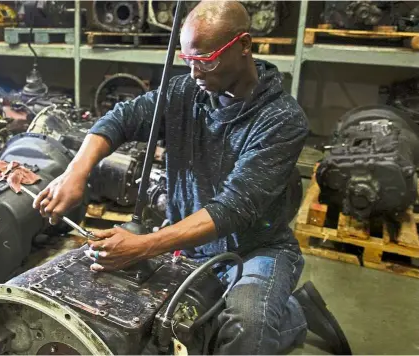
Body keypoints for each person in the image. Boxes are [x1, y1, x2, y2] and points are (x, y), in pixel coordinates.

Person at [33, 1, 351, 354]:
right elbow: (123, 118)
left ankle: (291, 316)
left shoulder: (281, 120)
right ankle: (272, 313)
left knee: (247, 324)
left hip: (255, 248)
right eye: (189, 61)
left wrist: (144, 245)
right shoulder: (189, 92)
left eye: (206, 60)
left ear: (244, 46)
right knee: (165, 328)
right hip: (189, 243)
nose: (196, 73)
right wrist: (74, 173)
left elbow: (234, 207)